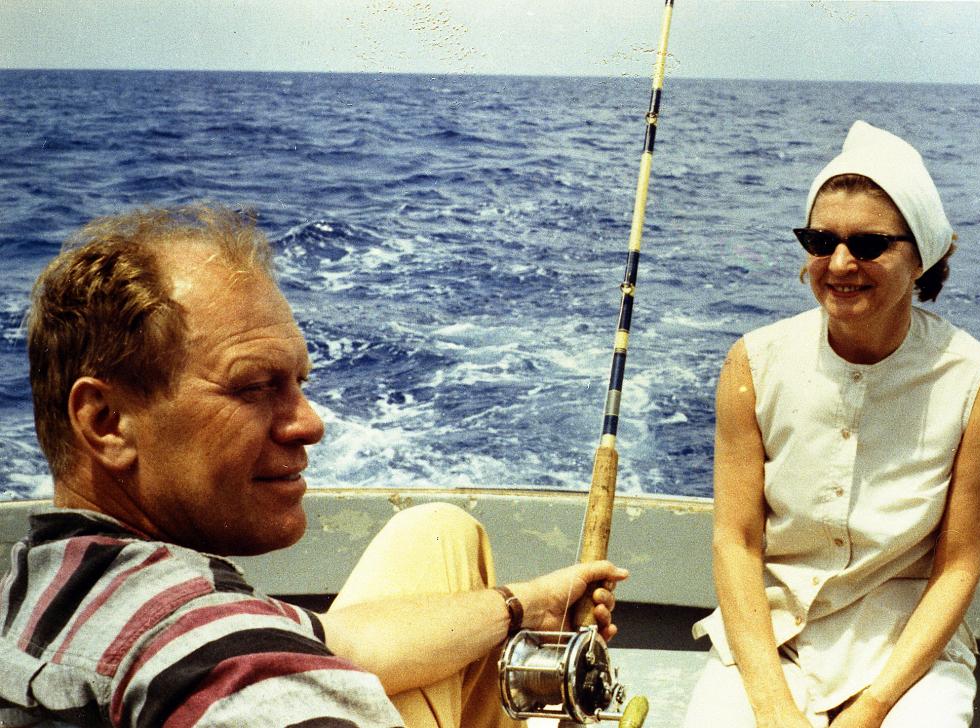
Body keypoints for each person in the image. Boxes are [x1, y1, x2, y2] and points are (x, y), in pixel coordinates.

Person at [0, 204, 628, 728]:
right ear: (107, 421)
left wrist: (527, 604)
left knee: (437, 531)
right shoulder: (227, 663)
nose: (310, 422)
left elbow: (336, 640)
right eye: (253, 387)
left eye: (298, 382)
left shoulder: (43, 583)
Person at [683, 121, 980, 728]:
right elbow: (737, 543)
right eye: (820, 240)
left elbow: (958, 566)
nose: (839, 263)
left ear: (924, 257)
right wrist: (773, 705)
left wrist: (872, 709)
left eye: (868, 245)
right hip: (771, 641)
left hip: (907, 655)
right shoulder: (752, 364)